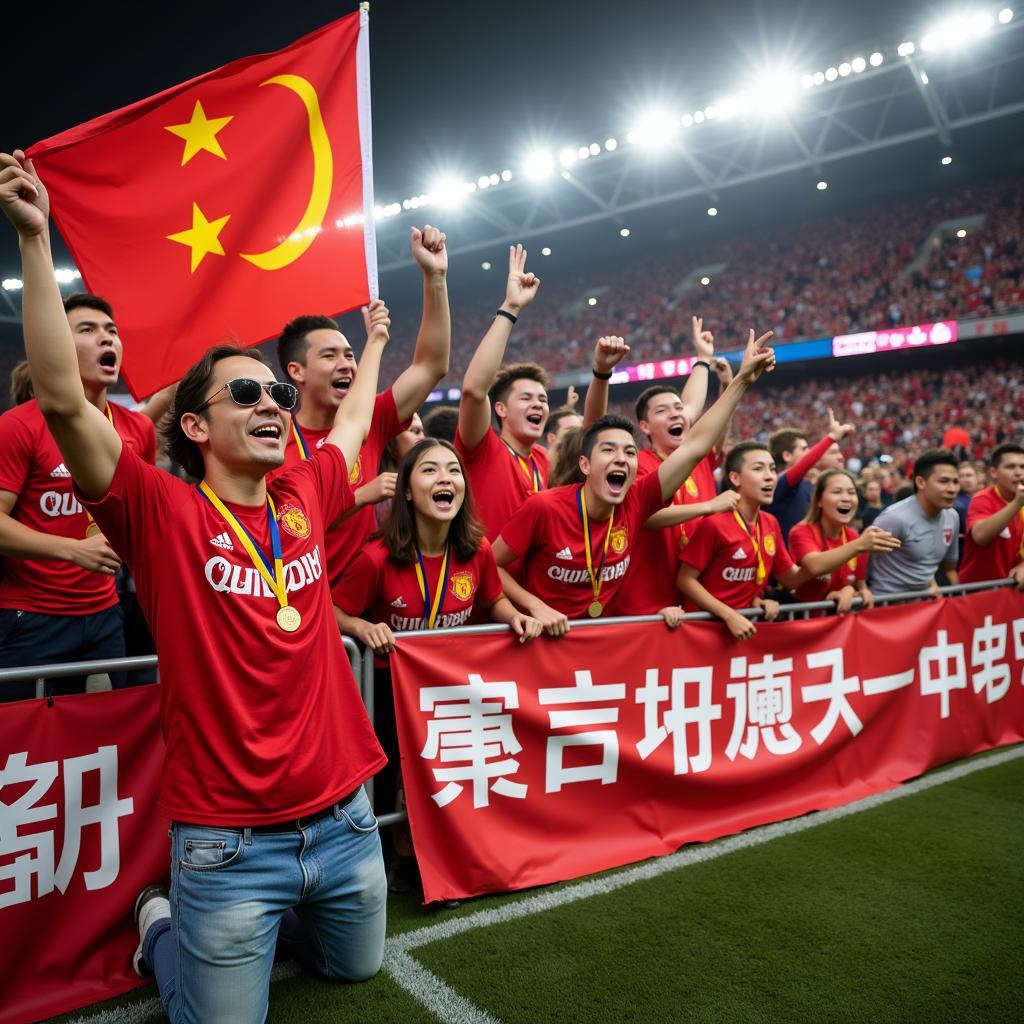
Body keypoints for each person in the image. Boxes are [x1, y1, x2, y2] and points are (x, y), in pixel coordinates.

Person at [1, 148, 391, 1021]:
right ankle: (160, 923)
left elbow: (358, 416)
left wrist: (374, 344)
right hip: (225, 843)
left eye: (276, 396)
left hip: (344, 820)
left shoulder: (305, 488)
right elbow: (65, 403)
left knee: (357, 972)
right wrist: (34, 239)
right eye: (243, 392)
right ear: (193, 424)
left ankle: (286, 917)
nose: (269, 404)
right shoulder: (158, 511)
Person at [332, 438, 541, 894]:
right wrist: (362, 627)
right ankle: (395, 859)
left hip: (449, 692)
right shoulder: (376, 558)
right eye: (429, 470)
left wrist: (516, 617)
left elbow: (494, 598)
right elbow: (331, 610)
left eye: (453, 470)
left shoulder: (477, 550)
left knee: (444, 777)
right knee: (393, 780)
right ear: (406, 491)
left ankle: (440, 857)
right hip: (388, 693)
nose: (446, 478)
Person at [493, 329, 777, 629]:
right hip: (543, 642)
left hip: (605, 638)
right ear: (585, 464)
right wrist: (534, 607)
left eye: (629, 451)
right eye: (608, 450)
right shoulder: (545, 507)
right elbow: (492, 565)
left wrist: (741, 380)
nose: (621, 458)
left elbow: (695, 445)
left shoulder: (637, 500)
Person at [0, 291, 156, 701]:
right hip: (31, 616)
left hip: (106, 615)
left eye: (112, 331)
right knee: (23, 749)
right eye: (87, 330)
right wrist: (72, 550)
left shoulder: (138, 431)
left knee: (108, 740)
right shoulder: (19, 427)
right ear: (53, 342)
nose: (107, 339)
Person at [274, 225, 450, 583]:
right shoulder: (272, 443)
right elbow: (285, 528)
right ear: (297, 371)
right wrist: (357, 497)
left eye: (350, 354)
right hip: (299, 602)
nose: (347, 364)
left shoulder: (374, 419)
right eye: (329, 356)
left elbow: (431, 366)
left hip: (366, 602)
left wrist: (435, 278)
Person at [677, 442, 876, 640]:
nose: (769, 476)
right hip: (704, 629)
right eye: (758, 469)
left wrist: (833, 567)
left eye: (772, 469)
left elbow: (790, 578)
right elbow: (685, 580)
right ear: (735, 478)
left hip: (744, 628)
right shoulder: (715, 522)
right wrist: (729, 615)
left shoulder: (770, 522)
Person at [617, 316, 737, 615]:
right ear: (644, 427)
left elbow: (714, 429)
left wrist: (723, 383)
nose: (675, 415)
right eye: (662, 411)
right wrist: (707, 507)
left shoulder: (697, 458)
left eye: (678, 409)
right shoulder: (637, 463)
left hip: (699, 598)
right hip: (649, 602)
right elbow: (642, 517)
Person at [788, 468, 900, 612]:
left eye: (851, 492)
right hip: (804, 624)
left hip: (840, 626)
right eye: (837, 492)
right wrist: (859, 544)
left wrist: (860, 592)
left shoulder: (853, 537)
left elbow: (859, 584)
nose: (846, 498)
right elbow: (815, 566)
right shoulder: (802, 532)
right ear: (819, 501)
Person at [868, 449, 961, 597]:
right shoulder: (894, 518)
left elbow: (949, 567)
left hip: (924, 607)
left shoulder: (952, 517)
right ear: (920, 482)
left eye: (956, 482)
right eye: (944, 481)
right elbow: (862, 563)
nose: (952, 489)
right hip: (887, 608)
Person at [766, 409, 855, 542]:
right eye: (804, 449)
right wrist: (832, 437)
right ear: (787, 456)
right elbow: (803, 466)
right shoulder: (779, 483)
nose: (809, 452)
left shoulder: (810, 484)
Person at [959, 443, 1024, 588]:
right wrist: (1017, 503)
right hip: (977, 592)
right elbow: (980, 536)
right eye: (1010, 467)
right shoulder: (983, 499)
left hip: (1008, 591)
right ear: (994, 472)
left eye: (1022, 467)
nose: (1019, 472)